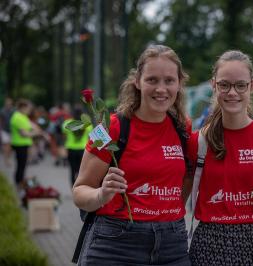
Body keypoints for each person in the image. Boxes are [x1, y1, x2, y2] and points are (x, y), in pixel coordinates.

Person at [72, 45, 192, 265]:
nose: (161, 89)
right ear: (137, 81)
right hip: (116, 243)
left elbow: (188, 179)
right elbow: (79, 191)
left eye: (169, 81)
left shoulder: (184, 129)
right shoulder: (109, 128)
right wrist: (101, 194)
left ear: (179, 84)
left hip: (172, 244)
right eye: (152, 80)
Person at [187, 50, 253, 265]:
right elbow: (177, 201)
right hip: (209, 247)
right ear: (214, 85)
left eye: (240, 85)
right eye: (224, 85)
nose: (232, 92)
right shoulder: (197, 142)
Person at [10, 100, 44, 193]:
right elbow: (24, 133)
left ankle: (20, 184)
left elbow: (31, 125)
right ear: (22, 108)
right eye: (28, 108)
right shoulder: (17, 117)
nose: (29, 110)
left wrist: (37, 129)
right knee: (20, 166)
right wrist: (36, 133)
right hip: (19, 144)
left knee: (23, 165)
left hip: (24, 145)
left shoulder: (23, 116)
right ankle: (18, 185)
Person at [62, 105, 92, 187]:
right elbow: (90, 138)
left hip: (70, 149)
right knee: (81, 171)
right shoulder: (87, 124)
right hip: (83, 150)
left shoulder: (67, 123)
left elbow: (64, 136)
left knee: (72, 170)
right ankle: (79, 188)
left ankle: (73, 188)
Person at [0, 98, 14, 166]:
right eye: (8, 103)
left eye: (10, 103)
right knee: (6, 145)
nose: (9, 105)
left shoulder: (13, 111)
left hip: (12, 131)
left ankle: (8, 158)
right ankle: (6, 160)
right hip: (4, 130)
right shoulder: (2, 111)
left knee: (10, 147)